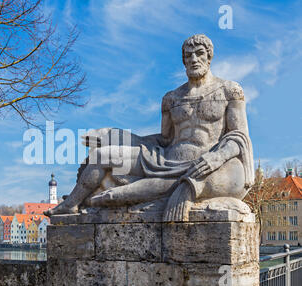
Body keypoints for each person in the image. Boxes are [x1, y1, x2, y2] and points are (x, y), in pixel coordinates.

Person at [46, 34, 254, 222]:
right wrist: (119, 137)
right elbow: (164, 139)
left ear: (209, 58)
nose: (194, 59)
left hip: (202, 163)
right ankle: (71, 205)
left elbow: (238, 137)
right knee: (101, 156)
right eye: (188, 55)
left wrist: (215, 158)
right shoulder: (171, 98)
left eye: (199, 54)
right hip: (164, 159)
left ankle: (118, 197)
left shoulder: (229, 91)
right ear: (183, 61)